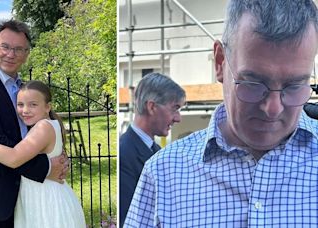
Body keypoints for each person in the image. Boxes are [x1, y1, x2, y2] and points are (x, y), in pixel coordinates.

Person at [124, 0, 318, 227]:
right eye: (253, 83)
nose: (273, 108)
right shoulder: (163, 174)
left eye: (294, 86)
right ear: (220, 62)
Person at [0, 20, 69, 228]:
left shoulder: (26, 91)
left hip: (24, 196)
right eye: (5, 47)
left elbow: (39, 133)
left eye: (18, 49)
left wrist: (59, 158)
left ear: (26, 54)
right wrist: (45, 167)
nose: (11, 54)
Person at [0, 80, 86, 227]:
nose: (25, 110)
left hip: (45, 200)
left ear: (47, 107)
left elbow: (13, 158)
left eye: (33, 105)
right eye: (20, 104)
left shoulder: (43, 127)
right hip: (43, 194)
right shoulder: (46, 125)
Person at [119, 72, 185, 226]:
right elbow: (128, 219)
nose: (178, 118)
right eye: (174, 108)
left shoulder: (155, 150)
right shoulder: (125, 154)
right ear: (152, 107)